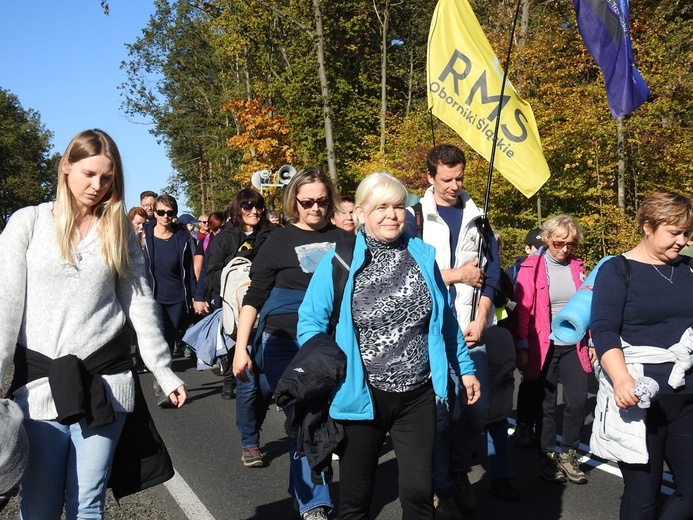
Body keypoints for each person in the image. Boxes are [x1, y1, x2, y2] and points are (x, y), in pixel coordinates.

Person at [0, 129, 186, 519]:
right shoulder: (27, 223)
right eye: (88, 174)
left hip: (107, 384)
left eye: (107, 178)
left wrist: (164, 371)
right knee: (41, 504)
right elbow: (6, 308)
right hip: (38, 386)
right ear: (66, 168)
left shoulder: (117, 229)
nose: (97, 186)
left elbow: (139, 301)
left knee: (88, 503)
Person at [298, 172, 480, 520]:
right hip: (360, 395)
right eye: (381, 207)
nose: (391, 215)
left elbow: (445, 321)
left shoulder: (422, 255)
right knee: (355, 500)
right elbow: (310, 323)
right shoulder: (339, 259)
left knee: (418, 497)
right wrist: (328, 366)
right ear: (362, 214)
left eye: (398, 206)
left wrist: (465, 369)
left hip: (417, 395)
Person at [232, 168, 351, 520]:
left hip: (332, 344)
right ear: (293, 202)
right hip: (284, 343)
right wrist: (241, 349)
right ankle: (315, 502)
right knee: (307, 415)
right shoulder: (277, 242)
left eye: (322, 201)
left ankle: (303, 487)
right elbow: (254, 298)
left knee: (332, 419)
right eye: (307, 202)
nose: (315, 208)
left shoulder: (346, 240)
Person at [404, 143, 501, 517]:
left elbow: (492, 275)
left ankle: (458, 469)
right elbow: (409, 276)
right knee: (441, 415)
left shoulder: (479, 217)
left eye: (459, 177)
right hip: (427, 334)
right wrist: (458, 274)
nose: (454, 185)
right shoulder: (413, 218)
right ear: (430, 177)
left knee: (476, 411)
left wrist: (481, 317)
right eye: (446, 179)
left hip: (471, 329)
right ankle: (442, 486)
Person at [591, 191, 693, 519]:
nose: (682, 241)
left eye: (687, 233)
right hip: (641, 398)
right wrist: (621, 379)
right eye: (674, 232)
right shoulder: (617, 270)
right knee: (643, 495)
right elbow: (604, 329)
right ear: (648, 226)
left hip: (687, 396)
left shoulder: (691, 270)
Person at [514, 214, 593, 484]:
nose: (564, 249)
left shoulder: (578, 267)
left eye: (570, 244)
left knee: (577, 401)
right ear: (547, 239)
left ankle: (569, 455)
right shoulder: (530, 267)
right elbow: (523, 310)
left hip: (574, 344)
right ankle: (547, 456)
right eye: (559, 243)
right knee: (546, 406)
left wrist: (591, 340)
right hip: (543, 344)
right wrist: (522, 344)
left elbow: (588, 304)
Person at [204, 189, 274, 464]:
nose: (254, 211)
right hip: (239, 323)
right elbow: (210, 277)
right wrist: (235, 274)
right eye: (247, 206)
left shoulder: (272, 236)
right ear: (238, 208)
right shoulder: (224, 239)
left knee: (268, 385)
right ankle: (249, 443)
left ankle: (252, 427)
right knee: (247, 384)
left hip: (271, 318)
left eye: (258, 207)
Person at [143, 194, 197, 358]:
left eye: (170, 212)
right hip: (154, 295)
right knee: (159, 335)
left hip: (177, 297)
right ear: (154, 213)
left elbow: (189, 270)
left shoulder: (182, 238)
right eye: (161, 212)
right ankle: (161, 375)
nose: (165, 216)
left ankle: (165, 371)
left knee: (170, 337)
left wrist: (195, 295)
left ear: (174, 214)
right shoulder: (145, 236)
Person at [508, 228, 544, 449]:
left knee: (542, 384)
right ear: (527, 248)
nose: (540, 254)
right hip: (521, 334)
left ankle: (541, 430)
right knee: (529, 382)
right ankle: (523, 425)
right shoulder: (514, 271)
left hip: (544, 335)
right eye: (537, 248)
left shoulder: (551, 269)